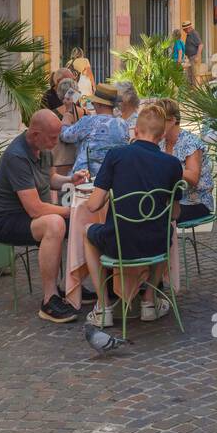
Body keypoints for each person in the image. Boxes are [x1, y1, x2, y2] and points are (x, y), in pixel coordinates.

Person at [82, 102, 184, 328]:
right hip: (155, 244)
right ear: (161, 135)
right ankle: (149, 302)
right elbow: (175, 213)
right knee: (167, 230)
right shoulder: (173, 164)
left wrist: (111, 192)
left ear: (135, 131)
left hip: (119, 244)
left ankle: (104, 307)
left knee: (86, 231)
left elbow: (92, 206)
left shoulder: (116, 156)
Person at [0, 109, 79, 323]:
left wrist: (71, 179)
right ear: (35, 134)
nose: (56, 142)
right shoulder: (16, 156)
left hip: (29, 215)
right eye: (53, 137)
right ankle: (49, 299)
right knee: (55, 223)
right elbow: (35, 210)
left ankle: (71, 286)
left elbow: (51, 179)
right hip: (5, 221)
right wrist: (68, 211)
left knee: (78, 221)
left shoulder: (43, 149)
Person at [155, 98, 215, 224]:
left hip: (196, 203)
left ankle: (168, 244)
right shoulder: (161, 143)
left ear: (172, 120)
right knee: (140, 209)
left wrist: (170, 166)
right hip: (172, 201)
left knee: (157, 216)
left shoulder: (190, 143)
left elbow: (193, 178)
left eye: (159, 120)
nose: (155, 125)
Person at [59, 81, 129, 178]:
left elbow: (65, 136)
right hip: (115, 177)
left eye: (94, 102)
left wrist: (68, 111)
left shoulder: (89, 122)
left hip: (88, 179)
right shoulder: (123, 124)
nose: (92, 103)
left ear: (99, 104)